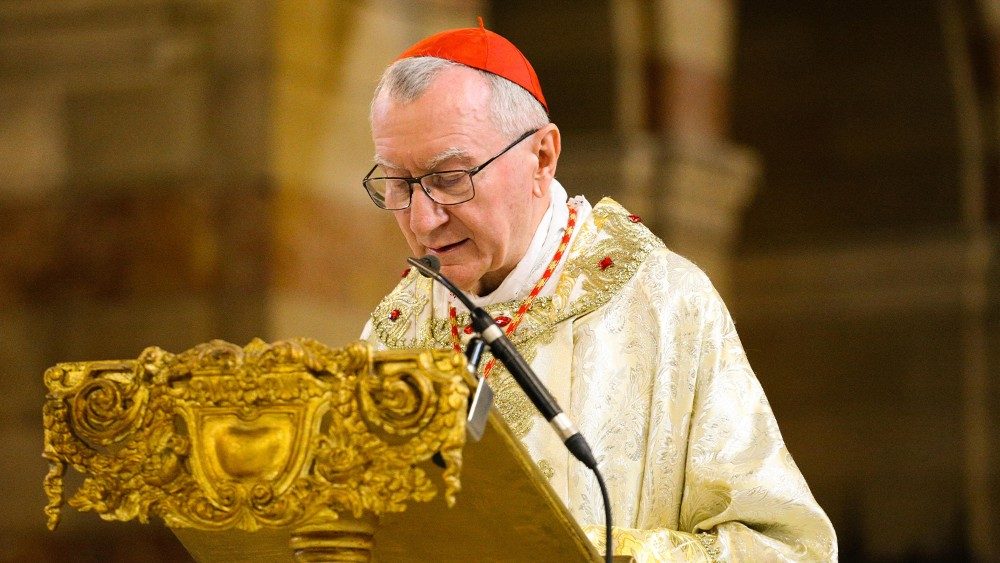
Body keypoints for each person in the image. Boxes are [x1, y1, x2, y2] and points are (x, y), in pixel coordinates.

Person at [360, 19, 837, 562]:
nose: (423, 220)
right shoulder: (395, 329)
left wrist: (597, 554)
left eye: (450, 179)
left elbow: (789, 549)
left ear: (542, 157)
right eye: (396, 184)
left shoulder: (665, 305)